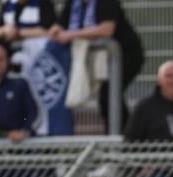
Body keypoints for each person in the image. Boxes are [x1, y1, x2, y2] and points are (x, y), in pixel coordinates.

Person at [49, 0, 144, 132]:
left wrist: (70, 35)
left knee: (109, 93)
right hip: (98, 59)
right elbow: (60, 25)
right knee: (105, 96)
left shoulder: (107, 3)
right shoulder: (73, 3)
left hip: (125, 56)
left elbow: (107, 29)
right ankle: (121, 134)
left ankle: (123, 135)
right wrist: (55, 30)